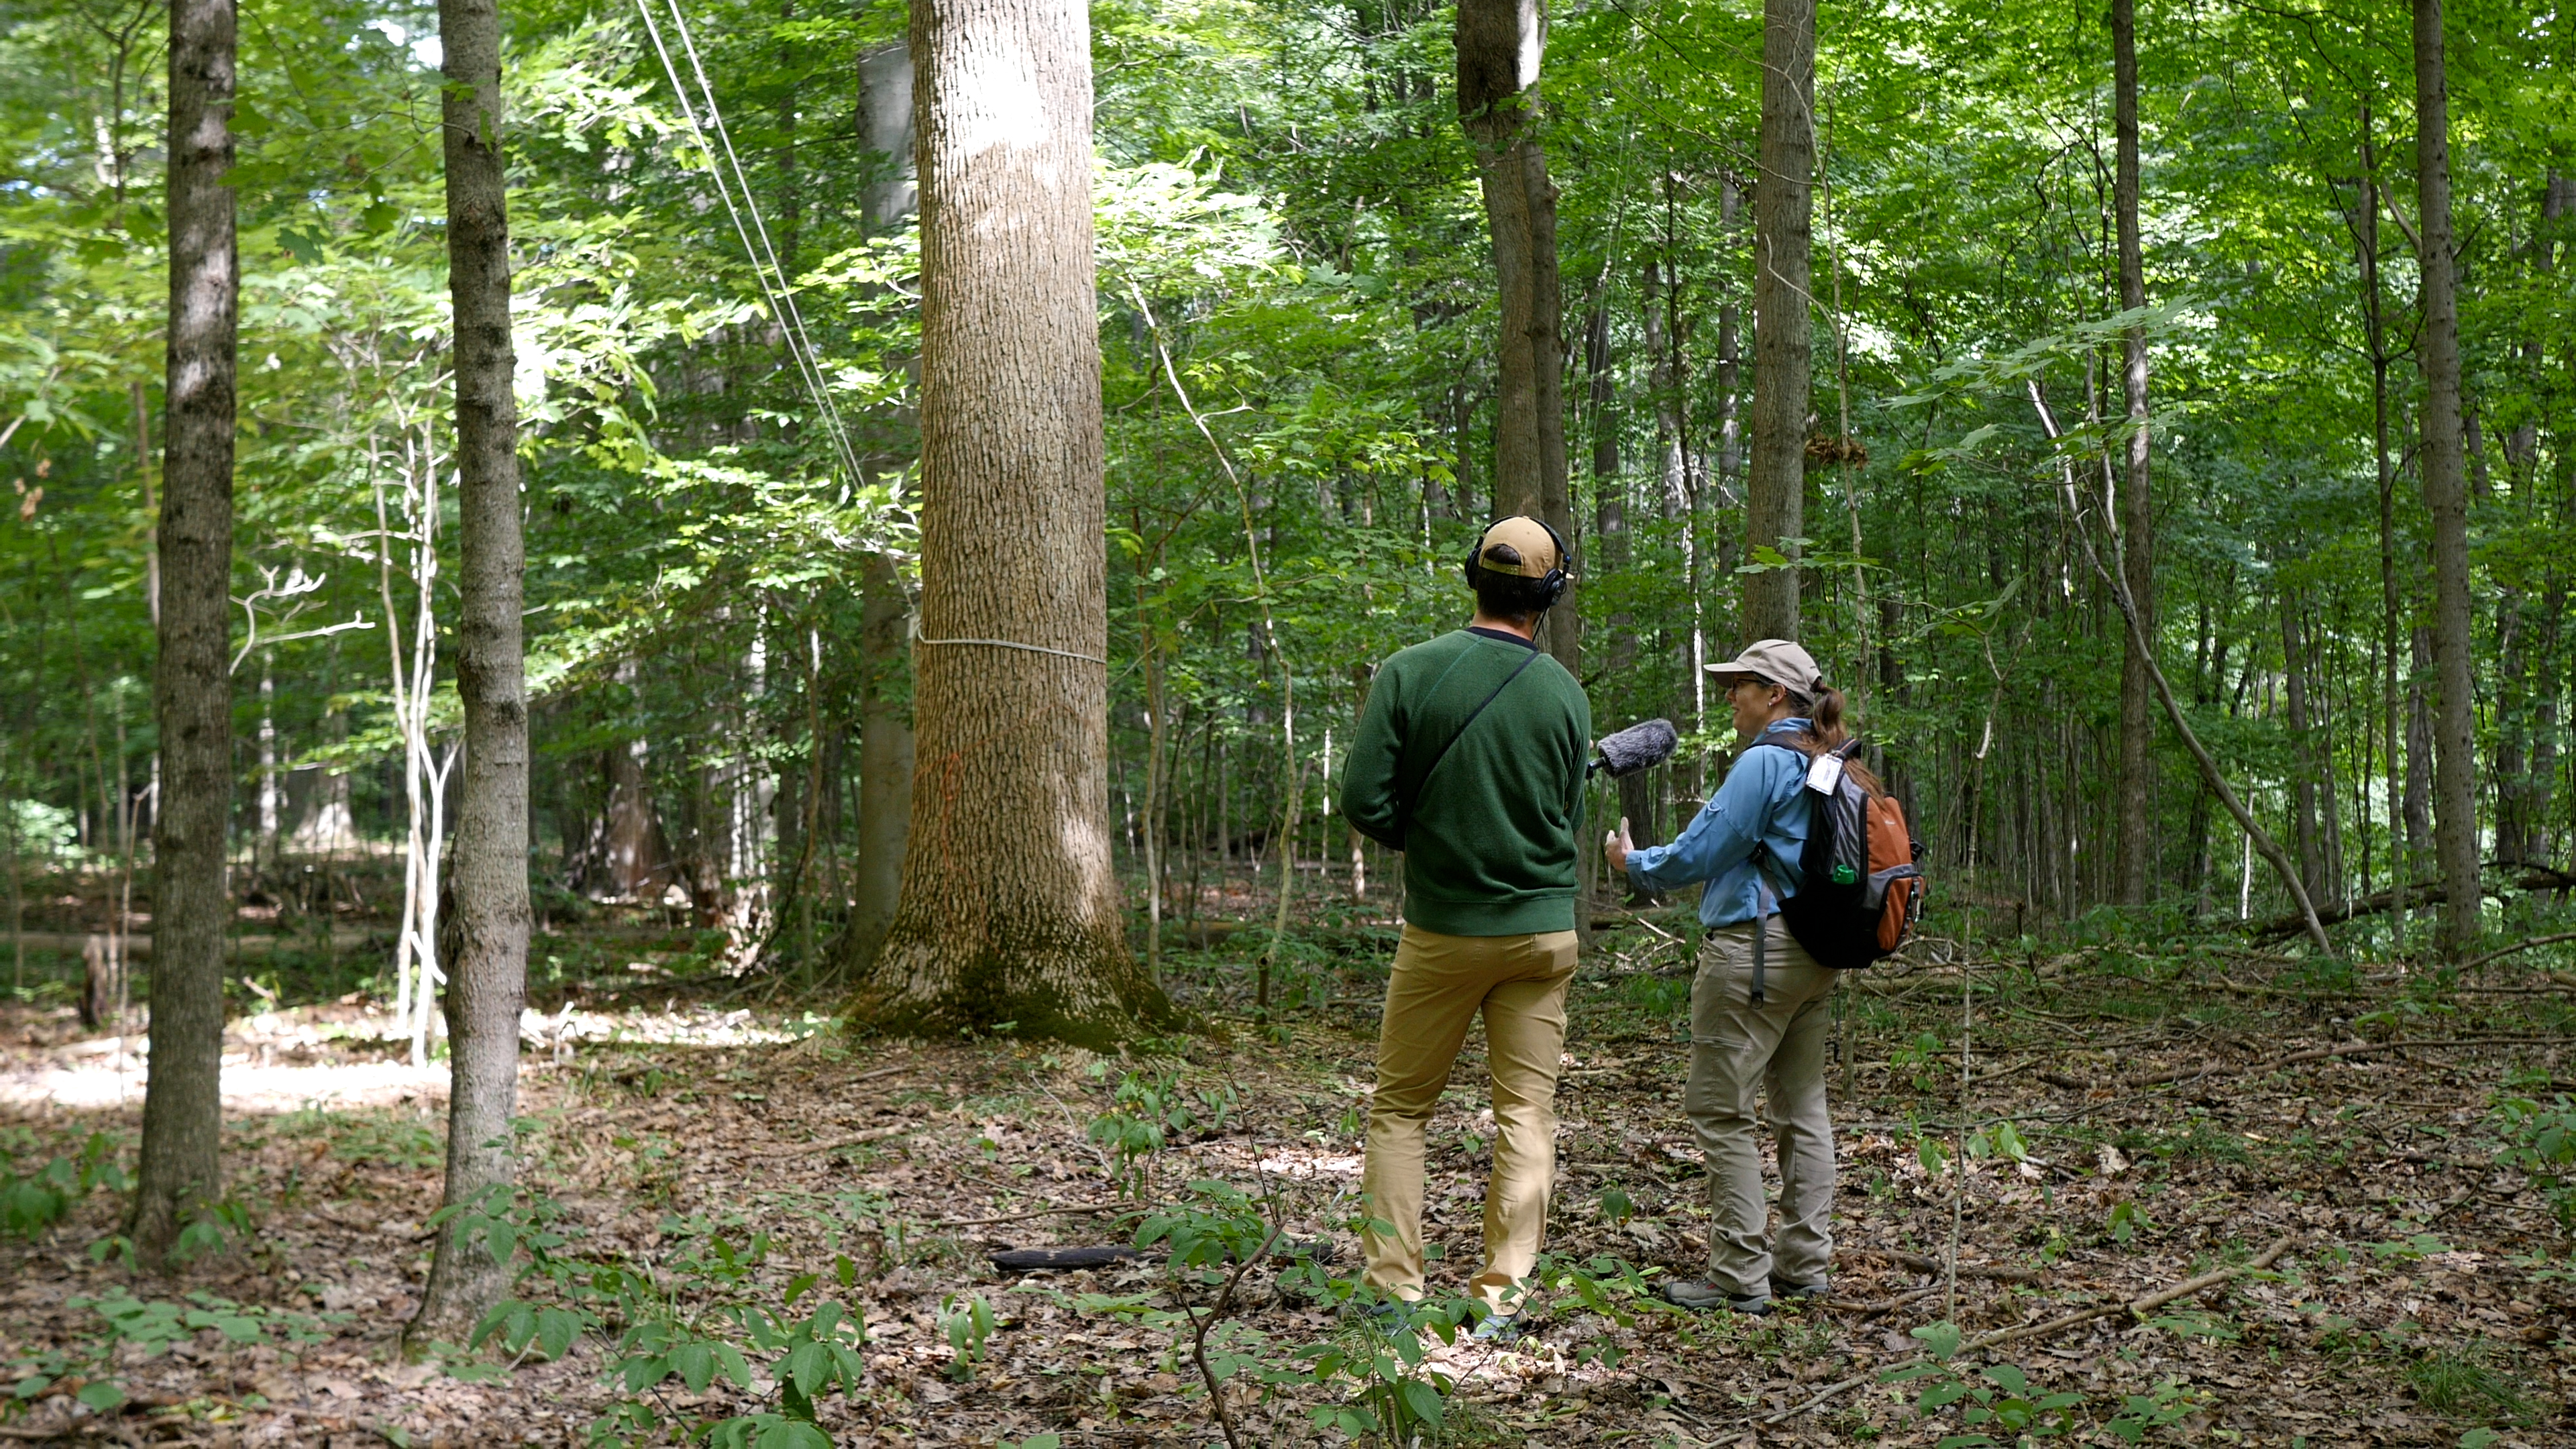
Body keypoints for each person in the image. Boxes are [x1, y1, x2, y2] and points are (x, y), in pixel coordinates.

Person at [1339, 515, 1592, 1334]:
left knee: (1401, 1111)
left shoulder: (1410, 673)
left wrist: (1437, 835)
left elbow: (1365, 802)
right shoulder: (1565, 692)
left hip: (1446, 931)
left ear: (1472, 579)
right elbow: (1564, 814)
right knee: (1527, 1115)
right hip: (1545, 934)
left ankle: (1394, 1297)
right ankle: (1501, 1301)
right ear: (1546, 598)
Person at [1605, 638, 1856, 1314]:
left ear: (1775, 695)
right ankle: (1803, 1263)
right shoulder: (1830, 760)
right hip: (1814, 952)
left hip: (1754, 953)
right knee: (1801, 1104)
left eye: (1740, 684)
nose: (1729, 696)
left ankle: (1740, 1274)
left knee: (1722, 1108)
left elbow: (1705, 848)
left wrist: (1635, 865)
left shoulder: (1767, 763)